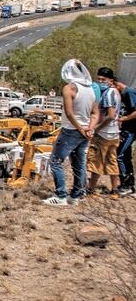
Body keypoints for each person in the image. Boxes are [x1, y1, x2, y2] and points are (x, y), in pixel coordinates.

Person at [43, 59, 98, 206]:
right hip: (85, 132)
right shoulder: (91, 89)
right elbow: (95, 113)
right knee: (79, 163)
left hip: (71, 130)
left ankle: (60, 195)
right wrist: (89, 128)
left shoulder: (69, 88)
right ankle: (77, 195)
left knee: (55, 161)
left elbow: (69, 112)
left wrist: (80, 128)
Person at [87, 67, 122, 198]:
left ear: (110, 80)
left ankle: (91, 189)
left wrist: (97, 128)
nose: (100, 81)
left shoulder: (108, 94)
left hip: (105, 134)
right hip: (114, 134)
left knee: (97, 160)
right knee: (112, 161)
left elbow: (111, 115)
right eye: (99, 79)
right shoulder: (116, 92)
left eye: (103, 79)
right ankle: (115, 190)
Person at [113, 76, 136, 195]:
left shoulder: (128, 92)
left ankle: (126, 184)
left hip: (131, 130)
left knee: (119, 155)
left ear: (116, 84)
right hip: (126, 129)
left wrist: (123, 118)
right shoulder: (123, 94)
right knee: (125, 156)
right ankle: (130, 184)